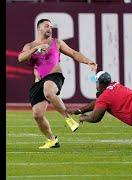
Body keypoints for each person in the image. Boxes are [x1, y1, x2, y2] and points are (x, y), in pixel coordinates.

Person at [18, 19, 97, 149]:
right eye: (47, 26)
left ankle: (68, 119)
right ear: (39, 29)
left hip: (54, 77)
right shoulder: (30, 45)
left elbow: (73, 53)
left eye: (51, 26)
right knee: (37, 115)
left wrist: (88, 61)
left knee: (49, 90)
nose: (50, 28)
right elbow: (20, 58)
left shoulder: (57, 42)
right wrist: (36, 49)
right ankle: (52, 140)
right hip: (38, 83)